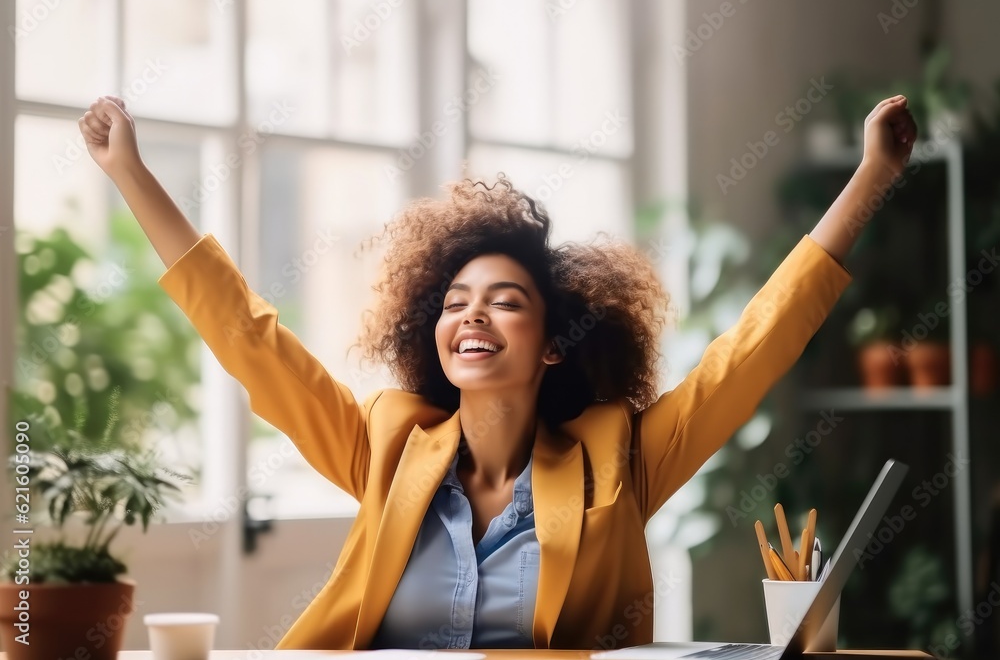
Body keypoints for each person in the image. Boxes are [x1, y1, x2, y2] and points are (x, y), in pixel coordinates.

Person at [79, 93, 917, 650]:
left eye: (505, 300)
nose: (471, 314)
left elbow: (750, 351)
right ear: (433, 332)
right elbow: (248, 336)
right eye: (454, 301)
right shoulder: (387, 442)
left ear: (554, 343)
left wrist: (873, 175)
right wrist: (131, 173)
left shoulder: (615, 458)